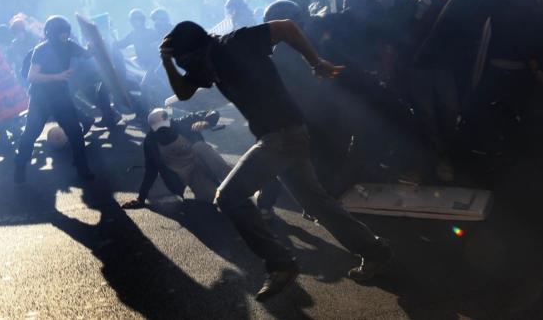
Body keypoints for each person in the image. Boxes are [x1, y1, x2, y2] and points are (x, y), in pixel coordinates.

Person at [159, 19, 392, 301]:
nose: (190, 72)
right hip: (284, 135)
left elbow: (285, 27)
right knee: (317, 203)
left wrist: (315, 61)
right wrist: (166, 61)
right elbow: (184, 92)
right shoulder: (206, 61)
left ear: (194, 53)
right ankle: (375, 251)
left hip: (281, 136)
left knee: (228, 197)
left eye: (185, 63)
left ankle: (280, 264)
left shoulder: (234, 42)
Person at [15, 16, 96, 184]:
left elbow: (87, 54)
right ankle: (20, 168)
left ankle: (83, 169)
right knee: (30, 134)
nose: (65, 35)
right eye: (62, 32)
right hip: (40, 99)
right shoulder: (41, 50)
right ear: (52, 33)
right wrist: (57, 76)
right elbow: (31, 76)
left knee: (75, 133)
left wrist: (94, 45)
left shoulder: (69, 45)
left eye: (67, 32)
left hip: (61, 97)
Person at [121, 108, 226, 208]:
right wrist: (141, 198)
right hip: (184, 175)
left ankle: (232, 178)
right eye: (159, 129)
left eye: (164, 126)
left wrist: (207, 121)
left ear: (169, 120)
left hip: (199, 161)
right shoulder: (150, 141)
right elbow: (151, 171)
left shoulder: (182, 122)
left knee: (200, 147)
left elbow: (213, 112)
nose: (163, 131)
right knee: (212, 198)